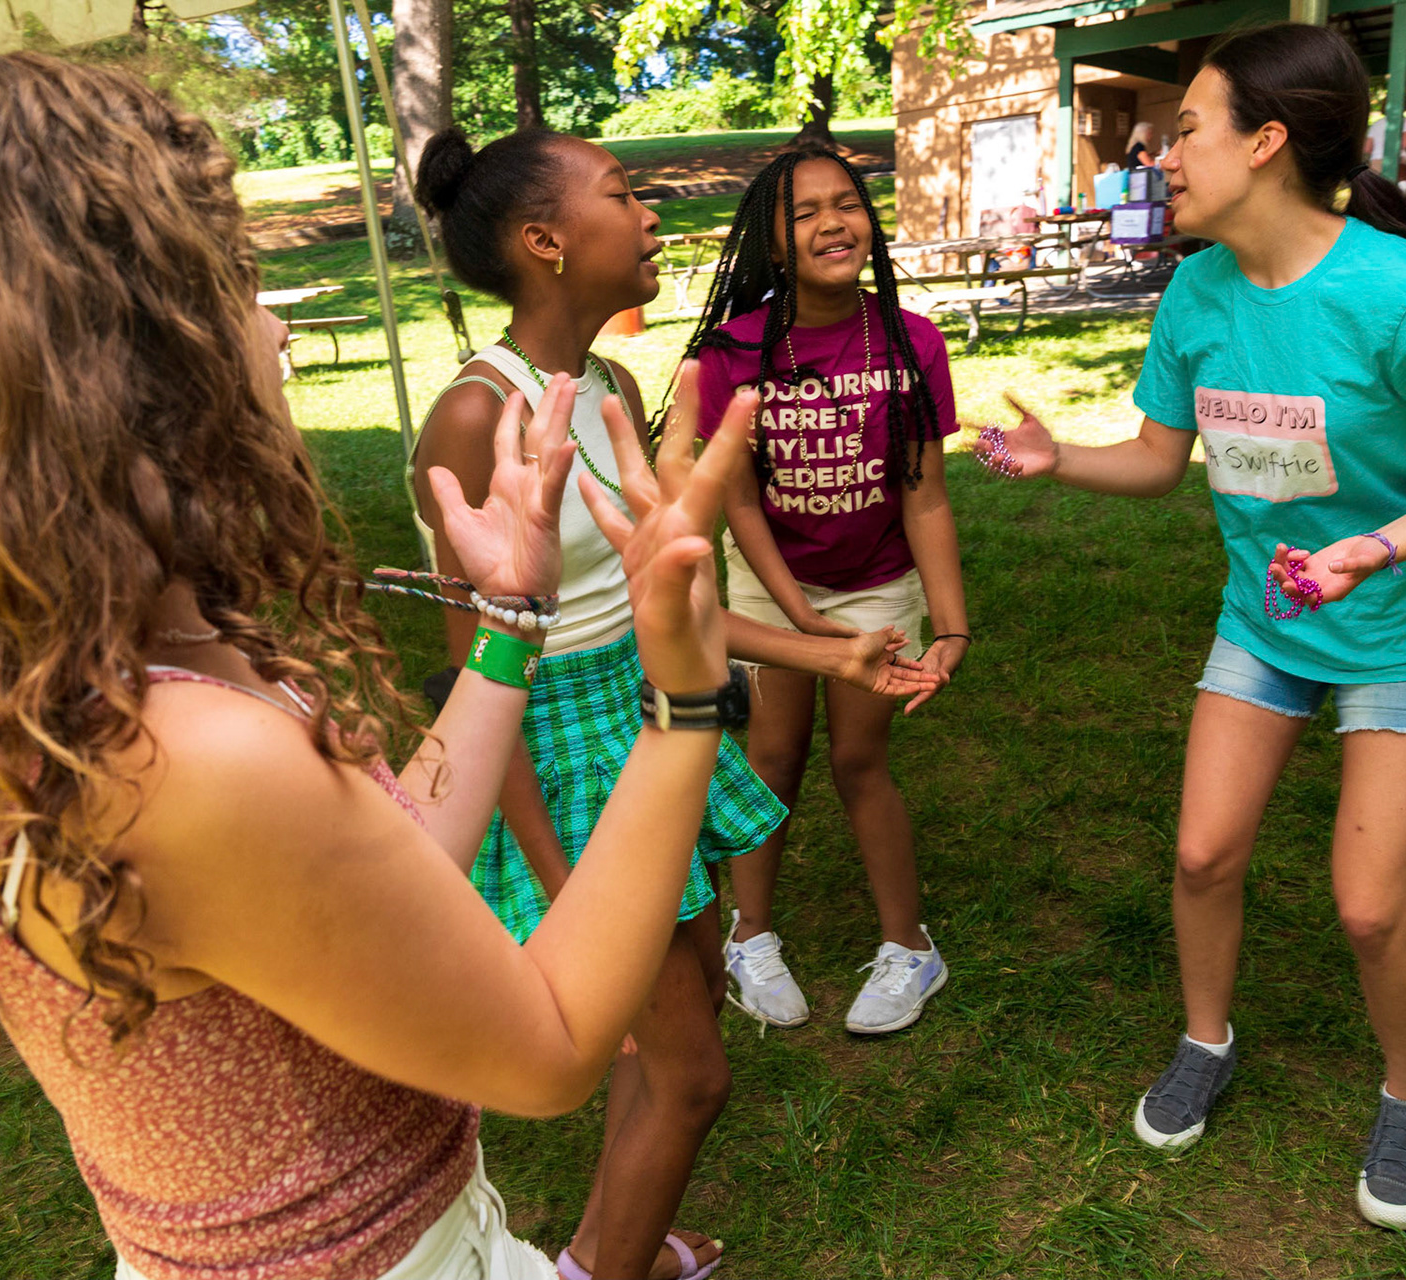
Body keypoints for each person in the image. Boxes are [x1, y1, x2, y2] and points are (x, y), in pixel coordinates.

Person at [0, 49, 776, 1280]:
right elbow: (547, 1048)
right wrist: (684, 701)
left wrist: (506, 623)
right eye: (232, 283)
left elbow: (386, 863)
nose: (275, 325)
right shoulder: (183, 757)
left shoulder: (68, 668)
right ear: (116, 358)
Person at [975, 23, 1406, 1231]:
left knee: (1371, 907)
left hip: (1400, 628)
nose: (1163, 155)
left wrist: (1375, 547)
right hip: (1266, 617)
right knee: (1201, 854)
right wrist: (1057, 458)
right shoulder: (1197, 291)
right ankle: (1205, 1037)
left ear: (1267, 143)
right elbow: (1157, 460)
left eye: (1186, 129)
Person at [411, 127, 942, 1280]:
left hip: (642, 723)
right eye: (622, 194)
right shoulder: (474, 414)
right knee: (693, 1073)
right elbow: (475, 681)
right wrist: (561, 887)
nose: (651, 214)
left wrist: (829, 653)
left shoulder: (610, 386)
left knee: (687, 1009)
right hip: (561, 759)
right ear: (546, 241)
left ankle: (602, 1252)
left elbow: (664, 604)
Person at [669, 148, 969, 1037]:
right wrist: (798, 614)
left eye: (848, 204)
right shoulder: (731, 352)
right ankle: (750, 936)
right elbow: (738, 502)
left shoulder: (911, 340)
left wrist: (952, 627)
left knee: (858, 761)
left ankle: (910, 947)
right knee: (772, 758)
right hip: (772, 588)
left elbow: (925, 496)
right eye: (804, 212)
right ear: (771, 241)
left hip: (878, 584)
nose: (834, 223)